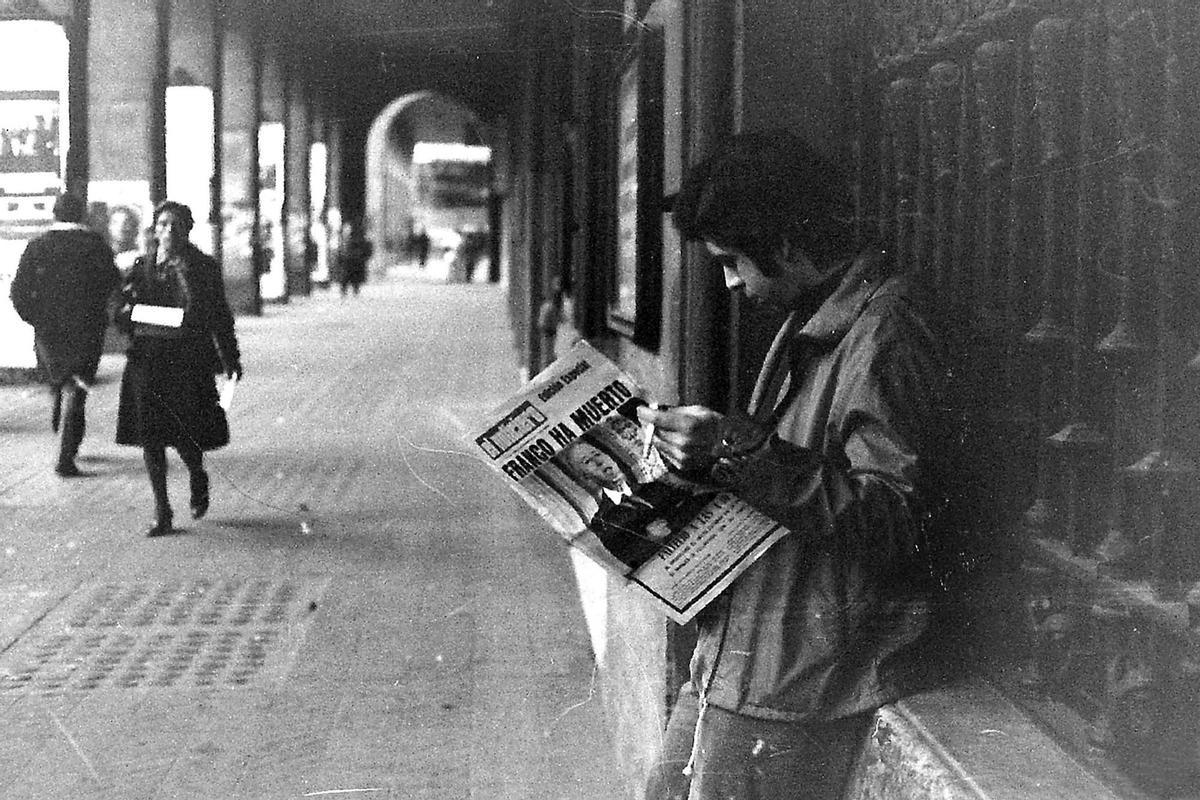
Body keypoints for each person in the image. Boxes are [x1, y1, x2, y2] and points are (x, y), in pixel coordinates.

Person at [636, 131, 956, 799]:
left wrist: (739, 449)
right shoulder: (814, 315)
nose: (730, 283)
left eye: (733, 261)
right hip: (750, 658)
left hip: (801, 679)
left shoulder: (886, 335)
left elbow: (896, 516)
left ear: (783, 243)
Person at [113, 200, 243, 537]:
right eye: (162, 224)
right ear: (155, 229)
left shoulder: (202, 267)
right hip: (147, 359)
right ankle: (163, 510)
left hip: (185, 361)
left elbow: (218, 315)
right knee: (150, 437)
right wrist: (127, 314)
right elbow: (119, 309)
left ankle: (197, 475)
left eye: (175, 225)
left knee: (186, 434)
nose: (168, 231)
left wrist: (231, 358)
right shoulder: (142, 266)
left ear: (187, 229)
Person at [9, 192, 120, 477]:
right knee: (78, 388)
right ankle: (66, 456)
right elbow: (113, 284)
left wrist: (35, 318)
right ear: (82, 215)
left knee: (60, 379)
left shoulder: (38, 246)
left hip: (49, 330)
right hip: (86, 328)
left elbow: (19, 291)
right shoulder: (96, 245)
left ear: (54, 214)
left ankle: (64, 418)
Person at [337, 221, 373, 296]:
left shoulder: (354, 240)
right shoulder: (342, 240)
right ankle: (344, 290)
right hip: (345, 261)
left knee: (352, 276)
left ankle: (354, 289)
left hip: (351, 261)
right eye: (345, 230)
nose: (347, 231)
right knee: (345, 277)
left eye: (348, 229)